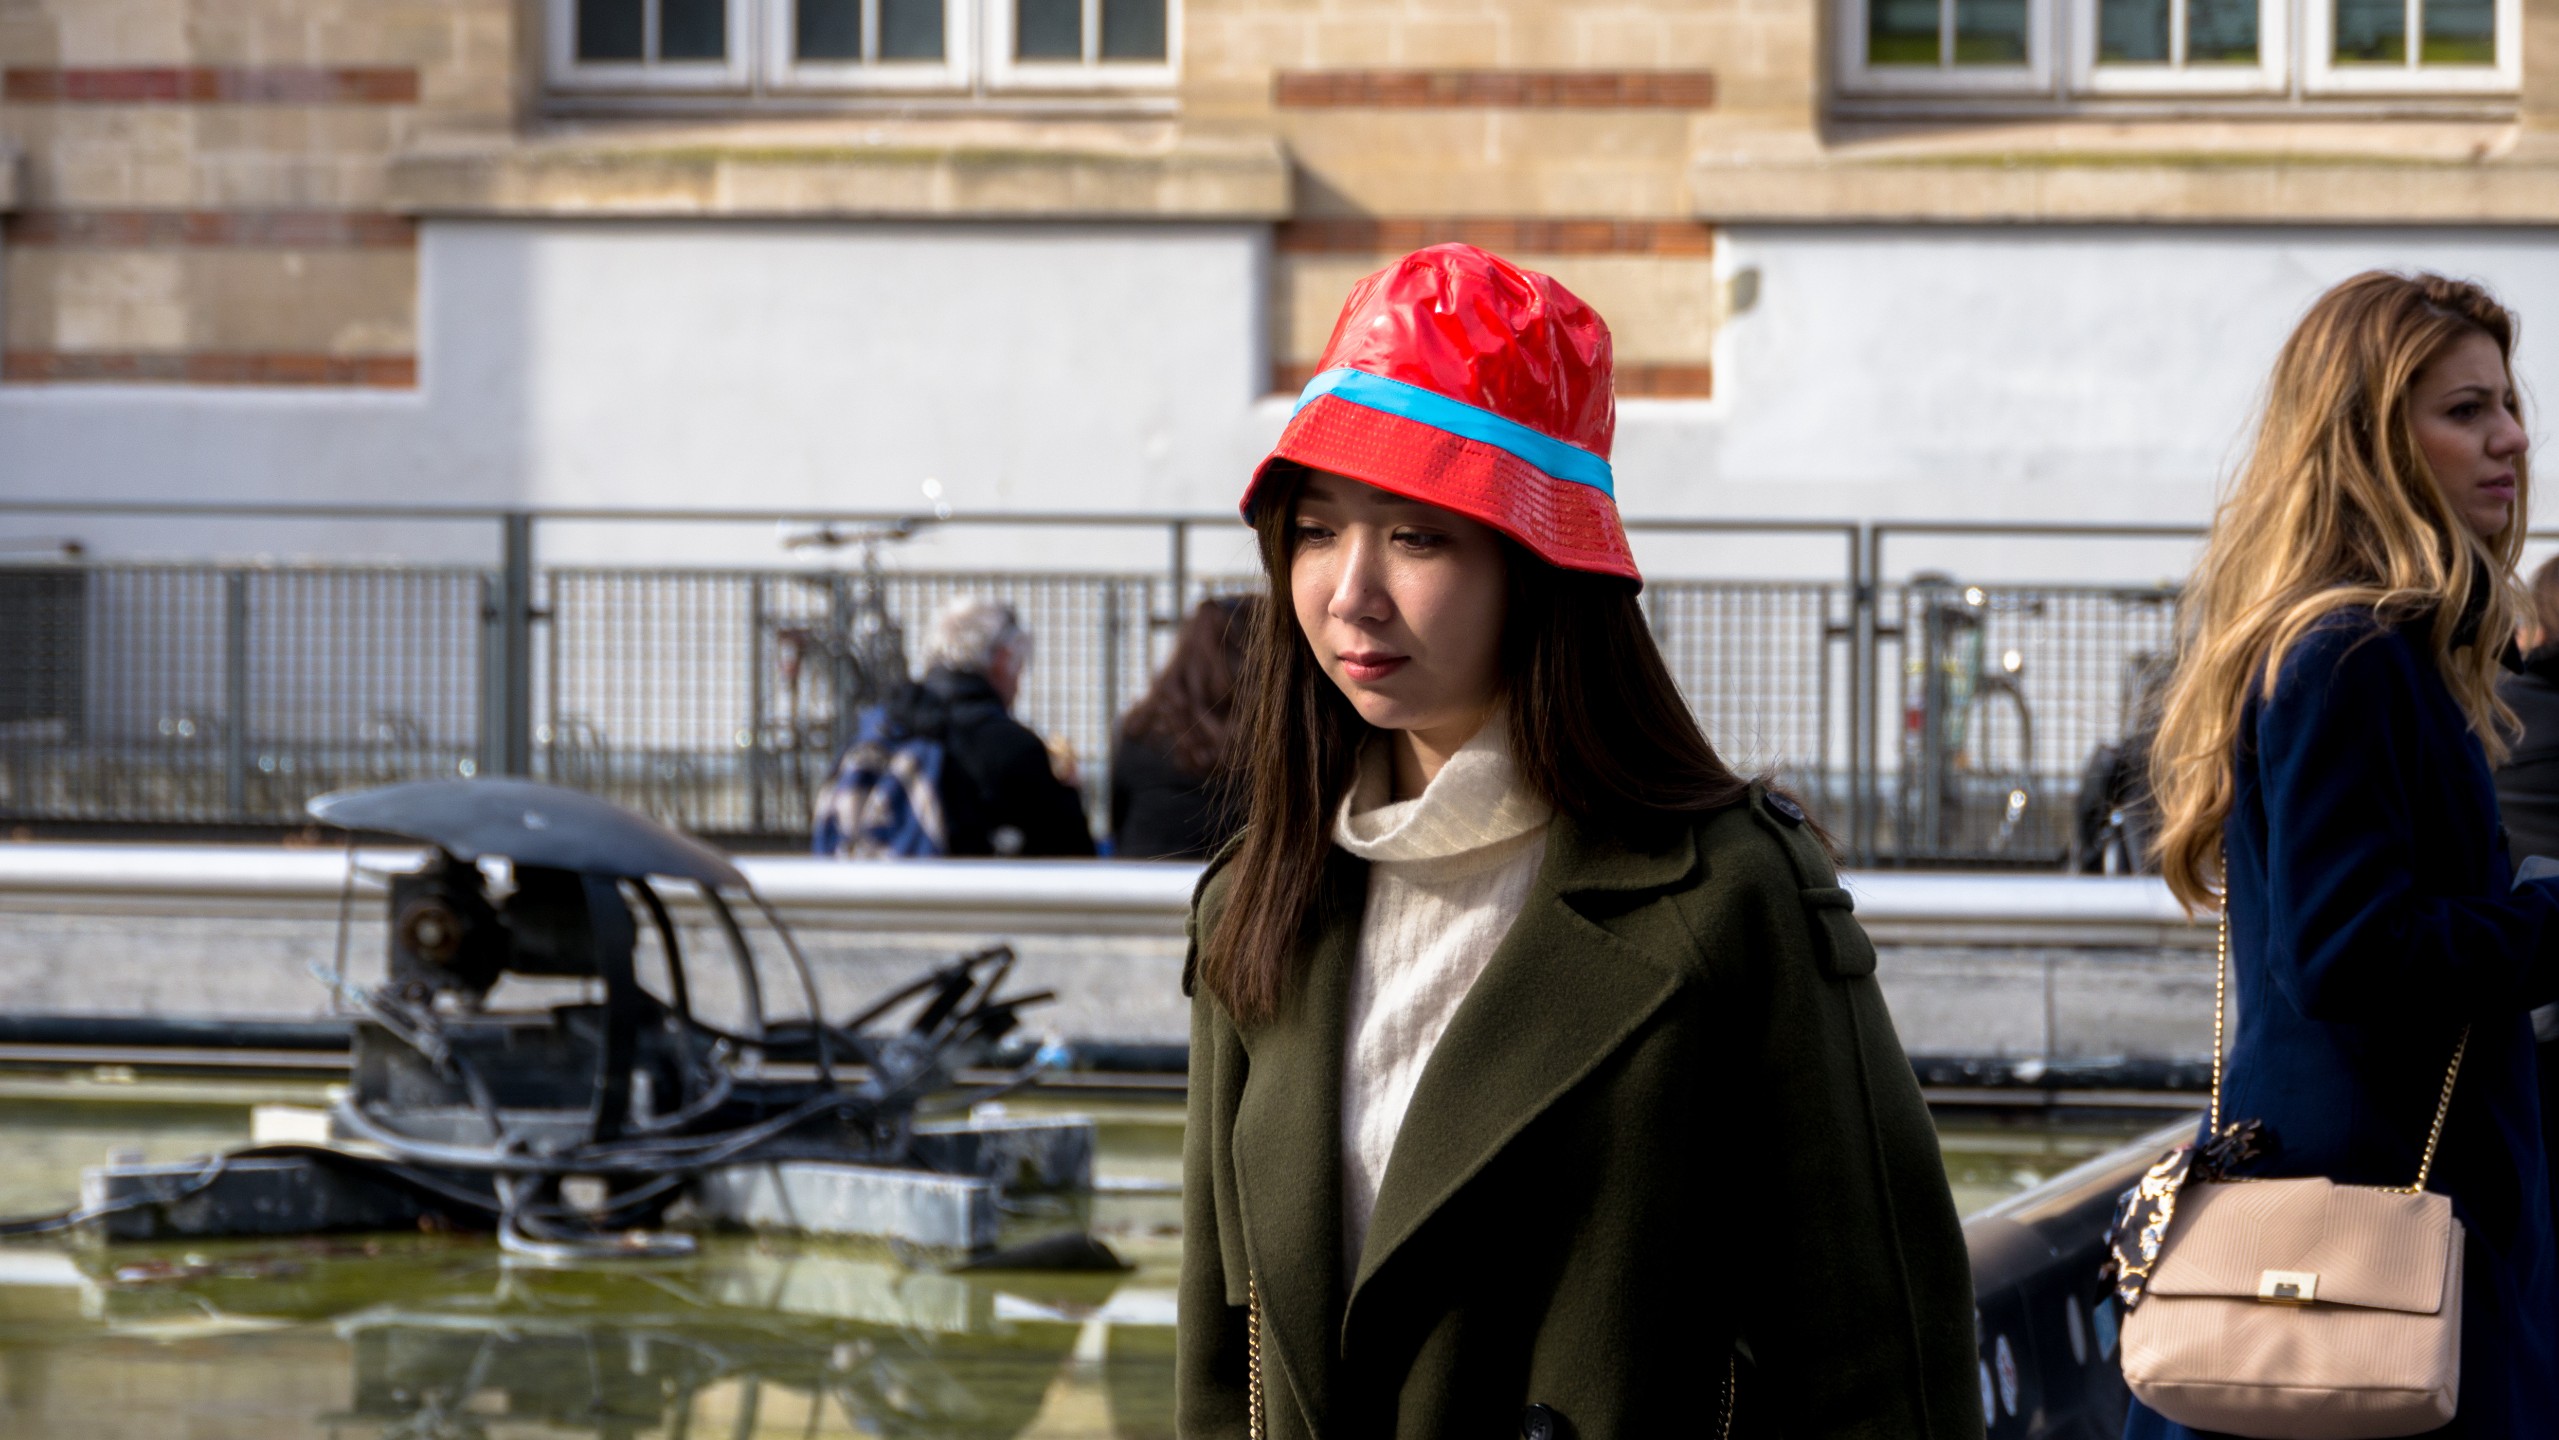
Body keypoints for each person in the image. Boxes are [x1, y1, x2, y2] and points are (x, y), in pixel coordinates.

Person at [1175, 244, 1980, 1438]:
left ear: (1540, 561)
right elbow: (1219, 1360)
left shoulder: (1726, 895)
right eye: (1316, 531)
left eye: (1418, 536)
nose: (1349, 592)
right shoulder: (1260, 897)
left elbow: (1878, 1355)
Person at [2140, 271, 2559, 1437]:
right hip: (2366, 1247)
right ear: (2369, 439)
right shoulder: (2352, 655)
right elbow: (2347, 953)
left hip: (2363, 1218)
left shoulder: (2372, 646)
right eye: (2466, 410)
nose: (2512, 437)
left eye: (2508, 403)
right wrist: (2551, 919)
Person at [816, 596, 1094, 859]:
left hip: (866, 888)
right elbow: (1073, 856)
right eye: (1020, 667)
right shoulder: (1013, 748)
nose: (1018, 684)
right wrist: (1068, 794)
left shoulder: (878, 726)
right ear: (1002, 659)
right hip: (963, 893)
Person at [1110, 595, 1257, 860]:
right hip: (1238, 879)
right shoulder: (1276, 742)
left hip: (1142, 878)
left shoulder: (1141, 731)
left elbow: (1117, 818)